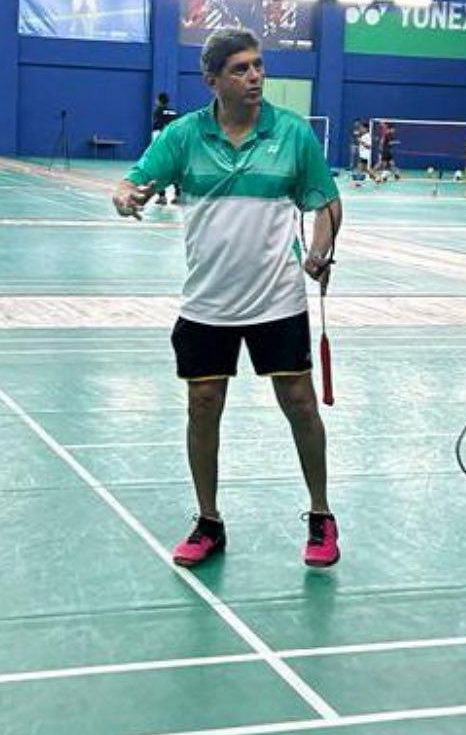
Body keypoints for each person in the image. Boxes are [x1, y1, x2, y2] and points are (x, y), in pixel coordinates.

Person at [110, 28, 344, 570]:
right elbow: (133, 181)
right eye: (240, 69)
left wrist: (319, 251)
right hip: (207, 303)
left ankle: (321, 514)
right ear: (212, 80)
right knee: (202, 406)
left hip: (278, 301)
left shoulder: (292, 134)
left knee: (301, 406)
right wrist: (127, 197)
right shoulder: (185, 136)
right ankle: (209, 520)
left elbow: (325, 203)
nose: (255, 76)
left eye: (258, 66)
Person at [150, 92, 179, 205]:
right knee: (175, 170)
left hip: (162, 144)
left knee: (160, 170)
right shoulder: (174, 112)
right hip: (175, 144)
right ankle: (178, 195)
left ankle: (162, 197)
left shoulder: (158, 111)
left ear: (159, 101)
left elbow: (159, 128)